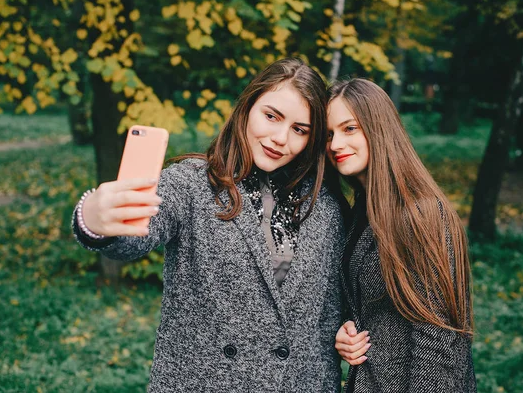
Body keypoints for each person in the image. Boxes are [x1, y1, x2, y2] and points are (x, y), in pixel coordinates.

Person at [72, 58, 345, 392]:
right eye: (271, 116)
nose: (280, 138)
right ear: (247, 108)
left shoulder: (325, 207)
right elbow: (136, 235)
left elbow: (335, 304)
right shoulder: (191, 183)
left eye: (299, 129)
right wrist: (95, 219)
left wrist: (349, 329)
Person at [326, 78, 476, 392]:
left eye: (349, 128)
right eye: (329, 134)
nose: (335, 144)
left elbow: (437, 339)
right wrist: (344, 333)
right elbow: (366, 302)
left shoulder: (420, 215)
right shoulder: (363, 212)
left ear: (378, 128)